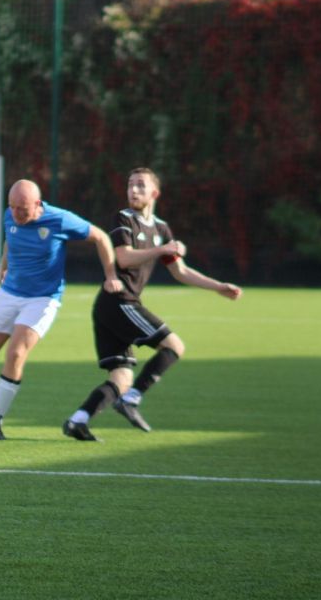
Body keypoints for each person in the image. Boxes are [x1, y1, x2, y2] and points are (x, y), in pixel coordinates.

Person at [0, 179, 123, 440]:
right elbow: (10, 239)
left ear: (37, 204)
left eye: (22, 209)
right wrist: (3, 266)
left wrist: (111, 276)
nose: (16, 214)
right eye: (12, 207)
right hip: (8, 294)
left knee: (16, 354)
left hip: (42, 299)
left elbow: (101, 237)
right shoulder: (10, 215)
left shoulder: (59, 220)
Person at [62, 167, 242, 442]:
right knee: (174, 346)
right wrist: (162, 249)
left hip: (113, 307)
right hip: (119, 302)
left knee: (121, 378)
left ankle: (78, 420)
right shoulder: (123, 219)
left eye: (140, 185)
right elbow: (124, 258)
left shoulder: (161, 228)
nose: (133, 190)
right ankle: (131, 400)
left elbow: (180, 271)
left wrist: (218, 287)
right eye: (130, 185)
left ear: (154, 193)